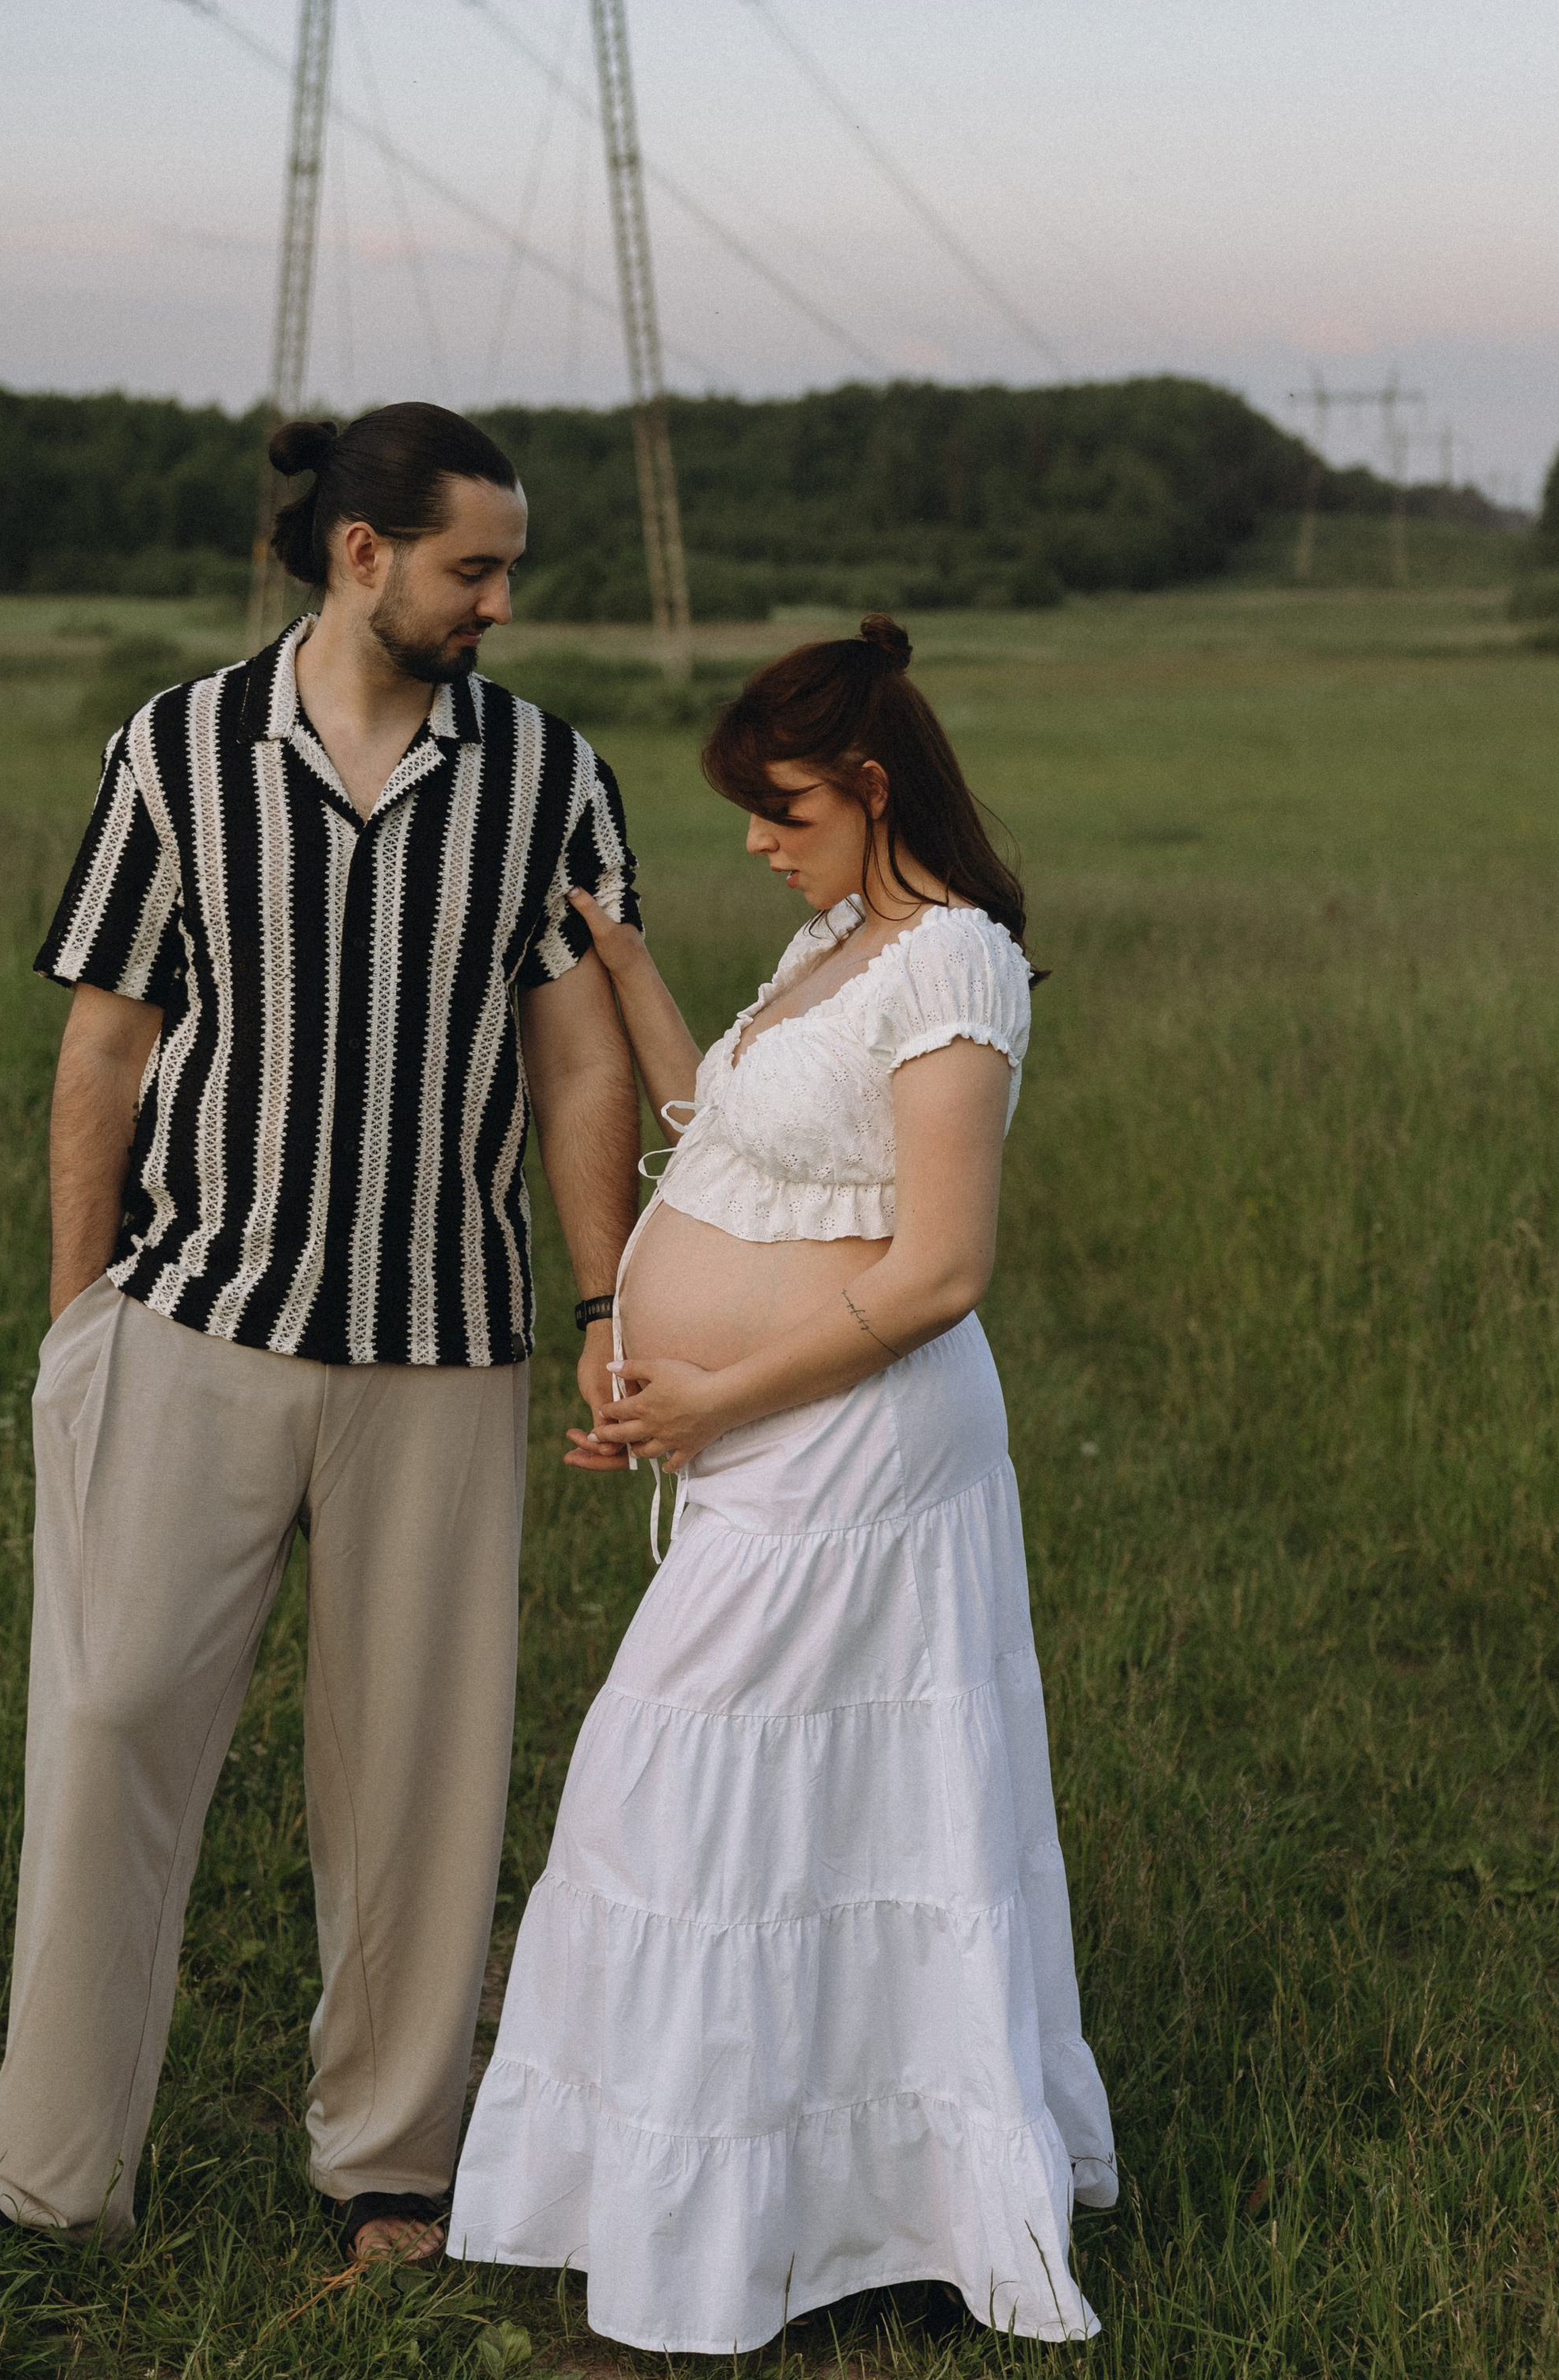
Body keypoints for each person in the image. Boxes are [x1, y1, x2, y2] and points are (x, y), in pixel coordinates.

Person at [0, 404, 641, 2271]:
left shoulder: (546, 774)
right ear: (360, 555)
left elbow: (576, 1064)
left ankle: (390, 2171)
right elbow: (108, 1045)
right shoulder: (177, 748)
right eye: (475, 566)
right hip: (192, 1325)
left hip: (444, 1349)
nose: (500, 603)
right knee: (112, 1723)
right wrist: (82, 1321)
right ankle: (45, 2179)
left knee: (414, 1776)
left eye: (510, 569)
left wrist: (610, 1299)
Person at [451, 614, 1115, 2349]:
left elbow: (935, 1272)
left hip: (861, 1453)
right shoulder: (833, 941)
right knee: (750, 1818)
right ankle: (753, 2206)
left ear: (875, 787)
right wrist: (626, 960)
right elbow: (723, 1131)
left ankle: (845, 2216)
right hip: (763, 1442)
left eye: (785, 805)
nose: (757, 835)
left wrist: (713, 1396)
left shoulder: (951, 964)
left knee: (748, 1804)